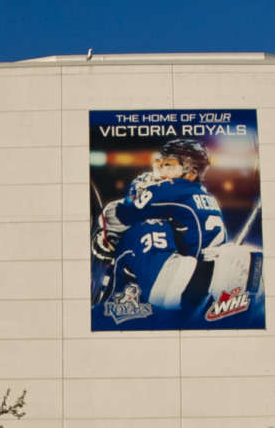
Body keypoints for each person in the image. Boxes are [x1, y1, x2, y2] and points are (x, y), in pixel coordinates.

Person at [90, 137, 241, 325]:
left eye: (169, 164)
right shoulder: (207, 197)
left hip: (182, 288)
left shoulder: (172, 189)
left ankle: (103, 303)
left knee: (139, 231)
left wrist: (104, 233)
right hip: (208, 279)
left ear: (191, 172)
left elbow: (122, 213)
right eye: (161, 162)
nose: (161, 169)